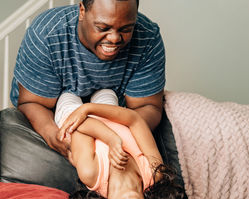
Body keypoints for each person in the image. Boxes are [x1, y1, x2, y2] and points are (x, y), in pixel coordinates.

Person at [10, 0, 165, 159]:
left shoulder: (148, 38)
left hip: (114, 117)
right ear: (82, 11)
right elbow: (32, 102)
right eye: (102, 28)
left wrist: (119, 136)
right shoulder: (45, 33)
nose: (114, 39)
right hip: (54, 114)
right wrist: (54, 136)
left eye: (126, 29)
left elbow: (147, 106)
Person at [54, 90, 196, 199]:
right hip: (111, 114)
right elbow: (135, 121)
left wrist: (111, 138)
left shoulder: (92, 174)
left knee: (68, 94)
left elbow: (78, 125)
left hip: (72, 119)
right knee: (107, 91)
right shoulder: (154, 172)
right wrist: (91, 109)